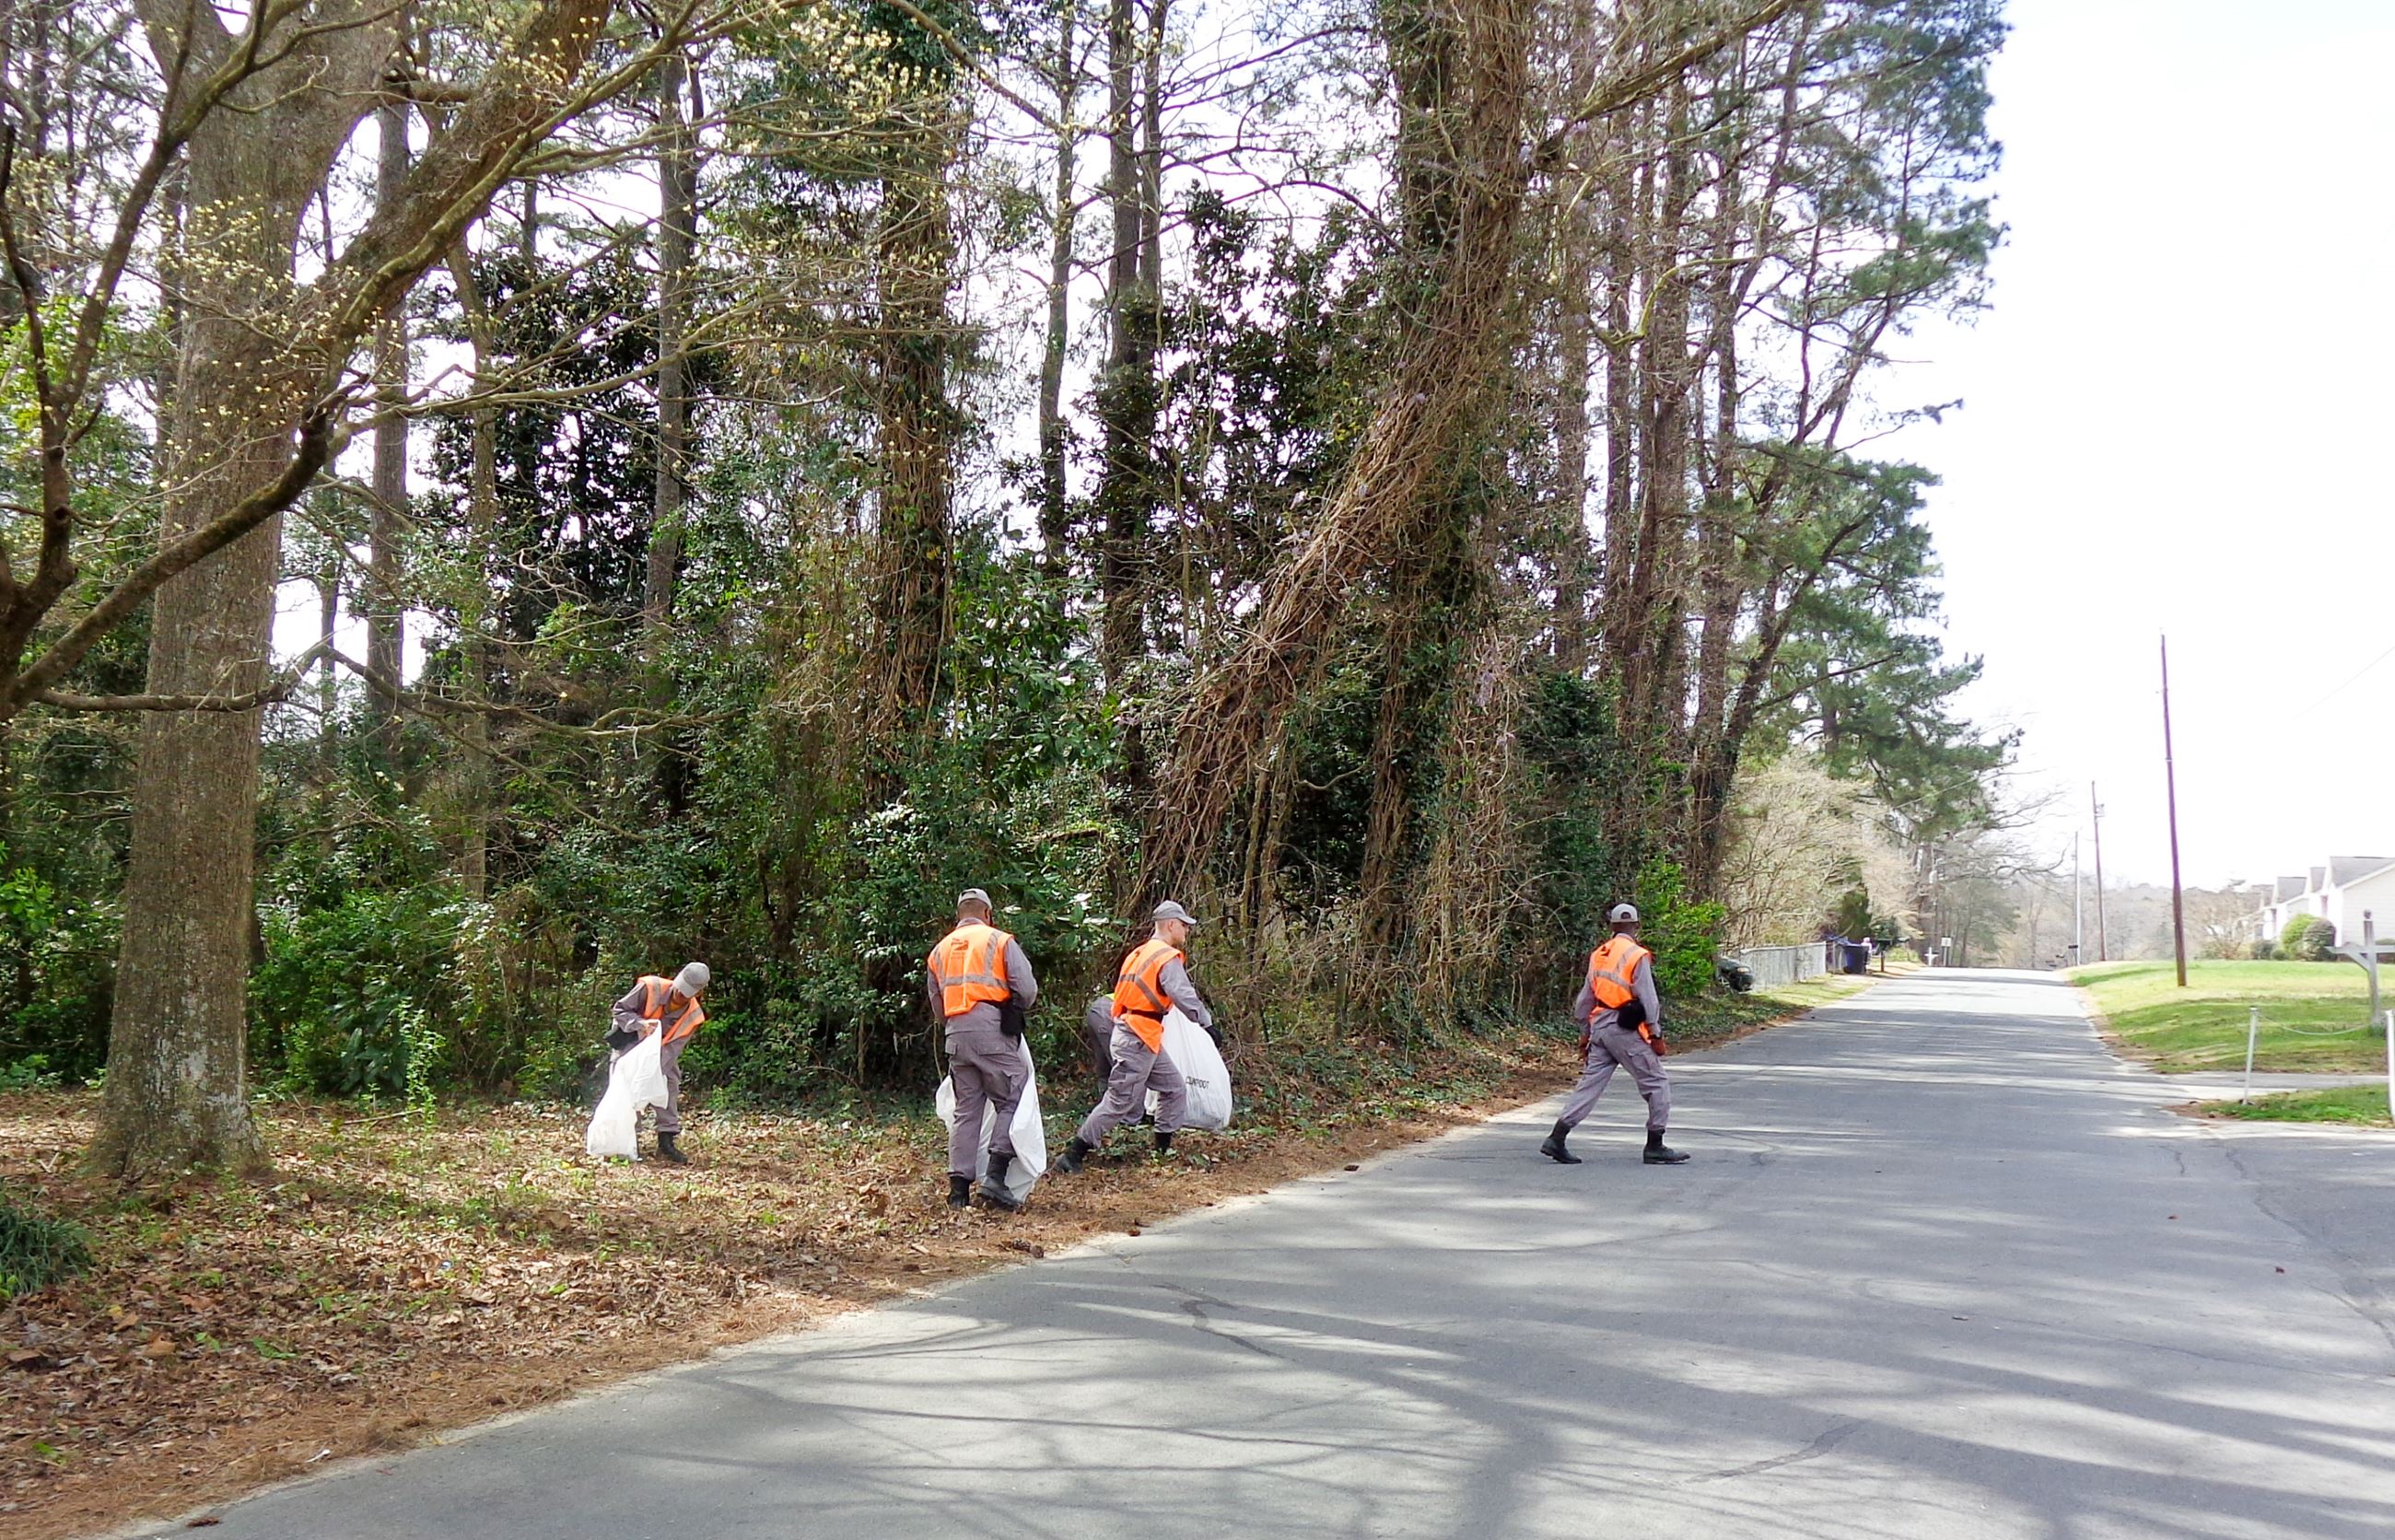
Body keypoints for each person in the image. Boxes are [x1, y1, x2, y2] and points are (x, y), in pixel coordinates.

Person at [1055, 900, 1213, 1172]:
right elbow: (1182, 994)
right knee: (1119, 1100)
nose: (1187, 930)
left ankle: (1162, 1151)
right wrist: (1207, 1025)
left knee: (1174, 1087)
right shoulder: (1165, 956)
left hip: (1138, 1033)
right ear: (1171, 924)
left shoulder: (1138, 953)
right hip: (1138, 1037)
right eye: (1184, 925)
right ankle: (1073, 1155)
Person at [1540, 904, 1688, 1165]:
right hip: (1625, 1030)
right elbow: (1649, 999)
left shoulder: (1599, 954)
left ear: (1611, 926)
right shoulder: (1636, 954)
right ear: (1637, 926)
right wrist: (1654, 1032)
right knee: (1656, 1082)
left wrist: (1585, 1032)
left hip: (1600, 1026)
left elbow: (1584, 999)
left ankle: (1557, 1137)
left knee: (1590, 1085)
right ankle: (1655, 1144)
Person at [927, 888, 1039, 1211]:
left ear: (959, 915)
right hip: (991, 1029)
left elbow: (937, 1006)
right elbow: (1027, 990)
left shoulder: (939, 951)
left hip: (956, 1034)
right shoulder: (999, 940)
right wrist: (1012, 1007)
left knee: (967, 1110)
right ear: (988, 914)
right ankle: (995, 1178)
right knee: (1012, 1096)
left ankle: (958, 1192)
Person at [610, 962, 710, 1164]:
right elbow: (619, 1010)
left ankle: (666, 1140)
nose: (679, 995)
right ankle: (627, 1138)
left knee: (669, 1082)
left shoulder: (693, 1015)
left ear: (698, 993)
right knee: (623, 1087)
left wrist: (650, 1075)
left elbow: (673, 1050)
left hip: (660, 1054)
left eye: (686, 994)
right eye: (679, 989)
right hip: (629, 1043)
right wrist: (640, 1024)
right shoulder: (651, 987)